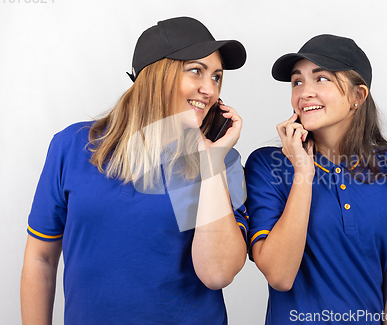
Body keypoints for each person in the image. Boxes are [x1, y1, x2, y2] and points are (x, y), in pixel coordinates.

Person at [21, 16, 248, 325]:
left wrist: (212, 164)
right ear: (156, 74)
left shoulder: (222, 161)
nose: (209, 89)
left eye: (217, 77)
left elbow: (217, 273)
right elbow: (41, 258)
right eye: (196, 71)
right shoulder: (72, 146)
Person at [245, 34, 387, 324]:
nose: (304, 92)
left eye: (321, 79)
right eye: (297, 81)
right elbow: (280, 276)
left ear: (358, 96)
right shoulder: (268, 166)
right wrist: (303, 171)